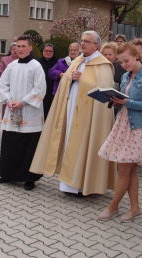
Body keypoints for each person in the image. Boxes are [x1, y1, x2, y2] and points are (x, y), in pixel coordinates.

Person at [30, 31, 117, 196]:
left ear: (96, 45)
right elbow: (64, 80)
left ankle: (84, 185)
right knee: (69, 142)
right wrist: (70, 79)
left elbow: (105, 90)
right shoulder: (78, 60)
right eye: (82, 40)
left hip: (89, 116)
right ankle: (67, 185)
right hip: (71, 110)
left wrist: (83, 79)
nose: (82, 44)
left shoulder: (103, 65)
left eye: (87, 41)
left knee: (85, 146)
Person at [98, 43, 142, 221]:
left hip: (139, 127)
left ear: (137, 56)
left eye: (126, 61)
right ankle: (134, 208)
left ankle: (113, 207)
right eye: (121, 62)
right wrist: (117, 101)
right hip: (124, 122)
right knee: (130, 170)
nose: (124, 65)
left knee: (124, 170)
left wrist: (127, 103)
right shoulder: (126, 76)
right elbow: (126, 98)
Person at [0, 35, 46, 190]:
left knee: (28, 146)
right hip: (12, 110)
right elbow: (3, 84)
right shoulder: (12, 65)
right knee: (10, 144)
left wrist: (22, 102)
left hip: (30, 112)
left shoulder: (36, 66)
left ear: (30, 48)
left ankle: (29, 178)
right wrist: (8, 100)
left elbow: (40, 88)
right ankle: (8, 174)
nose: (20, 49)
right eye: (18, 46)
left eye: (24, 46)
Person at [0, 42, 19, 118]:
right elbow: (0, 72)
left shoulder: (23, 60)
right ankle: (5, 119)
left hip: (19, 86)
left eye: (17, 49)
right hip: (8, 86)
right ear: (10, 50)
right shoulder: (4, 59)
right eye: (13, 49)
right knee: (7, 104)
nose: (15, 51)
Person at [38, 43, 57, 120]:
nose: (48, 52)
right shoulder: (37, 62)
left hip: (52, 92)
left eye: (50, 51)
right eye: (46, 51)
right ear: (42, 51)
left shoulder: (58, 62)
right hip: (39, 92)